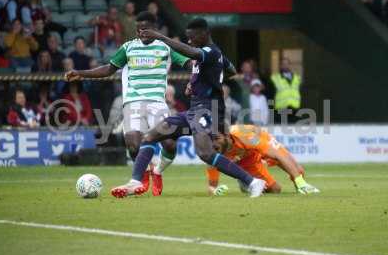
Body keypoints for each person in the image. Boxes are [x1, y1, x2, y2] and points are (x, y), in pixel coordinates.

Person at [106, 18, 266, 199]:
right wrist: (202, 82)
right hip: (193, 110)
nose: (189, 41)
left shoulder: (210, 52)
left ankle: (253, 182)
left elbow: (191, 52)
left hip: (206, 110)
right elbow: (231, 70)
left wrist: (160, 37)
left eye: (192, 38)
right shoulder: (215, 56)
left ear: (204, 34)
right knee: (151, 135)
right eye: (187, 38)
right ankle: (136, 181)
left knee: (205, 153)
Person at [64, 11, 192, 196]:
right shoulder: (128, 48)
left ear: (154, 28)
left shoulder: (165, 47)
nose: (141, 32)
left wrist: (194, 80)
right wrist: (81, 73)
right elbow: (108, 69)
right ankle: (145, 171)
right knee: (133, 145)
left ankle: (157, 171)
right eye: (138, 28)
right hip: (133, 101)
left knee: (170, 144)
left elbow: (188, 63)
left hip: (157, 102)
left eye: (145, 28)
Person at [206, 124, 320, 196]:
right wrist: (214, 191)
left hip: (261, 140)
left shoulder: (246, 137)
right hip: (248, 159)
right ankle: (245, 181)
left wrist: (301, 183)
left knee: (299, 172)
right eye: (211, 140)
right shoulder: (212, 152)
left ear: (227, 136)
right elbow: (211, 186)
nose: (214, 143)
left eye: (217, 138)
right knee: (276, 190)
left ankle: (302, 189)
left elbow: (278, 156)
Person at [271, 57, 301, 124]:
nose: (285, 65)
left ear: (290, 65)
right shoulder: (275, 78)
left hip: (295, 109)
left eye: (287, 64)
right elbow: (271, 95)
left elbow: (300, 93)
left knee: (296, 132)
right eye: (283, 64)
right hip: (281, 110)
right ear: (280, 66)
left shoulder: (297, 78)